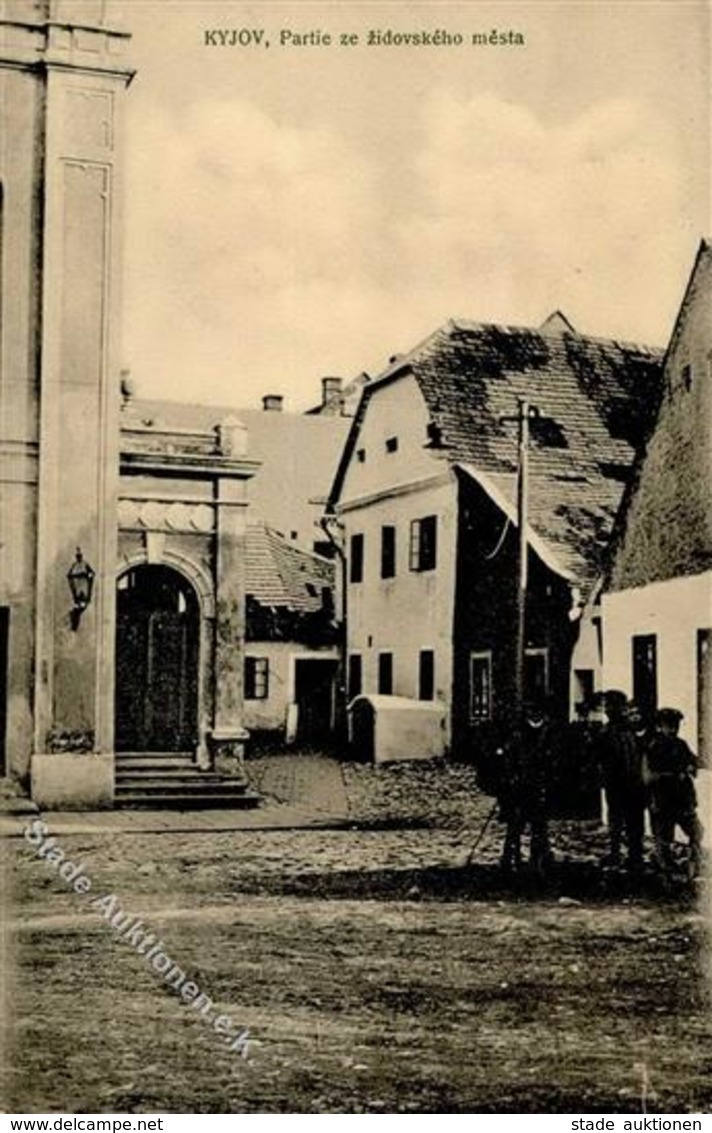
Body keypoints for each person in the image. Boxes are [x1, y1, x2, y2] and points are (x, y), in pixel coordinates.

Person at [498, 700, 556, 875]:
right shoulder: (518, 735)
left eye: (538, 712)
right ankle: (510, 858)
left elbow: (554, 760)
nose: (535, 715)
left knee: (539, 826)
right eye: (531, 711)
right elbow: (509, 759)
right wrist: (512, 778)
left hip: (540, 786)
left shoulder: (550, 734)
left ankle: (538, 860)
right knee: (515, 825)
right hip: (520, 787)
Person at [644, 707, 703, 879]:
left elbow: (694, 762)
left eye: (675, 725)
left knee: (696, 831)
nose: (672, 729)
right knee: (663, 837)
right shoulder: (654, 747)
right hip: (663, 800)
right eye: (668, 725)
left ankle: (693, 863)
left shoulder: (681, 744)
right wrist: (672, 775)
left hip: (683, 799)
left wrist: (691, 767)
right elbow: (648, 776)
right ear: (659, 726)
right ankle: (665, 874)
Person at [596, 691, 647, 871]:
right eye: (607, 706)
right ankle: (616, 853)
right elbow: (600, 758)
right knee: (616, 820)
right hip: (615, 783)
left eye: (612, 705)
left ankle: (635, 856)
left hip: (633, 782)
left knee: (634, 821)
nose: (608, 709)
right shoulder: (605, 732)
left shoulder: (633, 730)